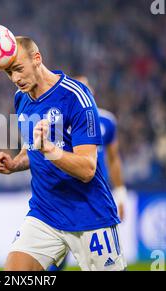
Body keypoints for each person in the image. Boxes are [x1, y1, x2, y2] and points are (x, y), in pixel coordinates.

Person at [0, 36, 126, 271]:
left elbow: (87, 169)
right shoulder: (21, 98)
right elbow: (32, 149)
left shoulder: (76, 97)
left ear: (37, 59)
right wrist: (15, 163)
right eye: (9, 73)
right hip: (45, 211)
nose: (16, 78)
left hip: (89, 213)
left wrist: (50, 150)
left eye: (19, 69)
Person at [47, 76, 128, 271]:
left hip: (94, 197)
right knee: (53, 261)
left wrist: (120, 193)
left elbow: (113, 159)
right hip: (63, 197)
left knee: (103, 263)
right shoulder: (56, 120)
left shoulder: (107, 121)